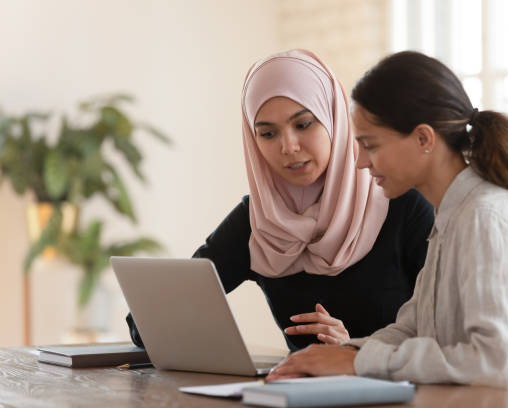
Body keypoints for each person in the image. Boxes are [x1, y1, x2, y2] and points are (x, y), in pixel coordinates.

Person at [266, 51, 508, 403]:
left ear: (424, 139)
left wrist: (359, 361)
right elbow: (412, 328)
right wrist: (337, 355)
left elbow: (496, 362)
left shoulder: (485, 217)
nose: (360, 162)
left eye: (370, 145)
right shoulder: (452, 216)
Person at [126, 49, 434, 352]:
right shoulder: (261, 219)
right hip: (295, 396)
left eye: (303, 124)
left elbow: (445, 338)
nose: (288, 146)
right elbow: (146, 324)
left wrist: (356, 349)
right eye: (268, 134)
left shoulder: (403, 206)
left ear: (334, 120)